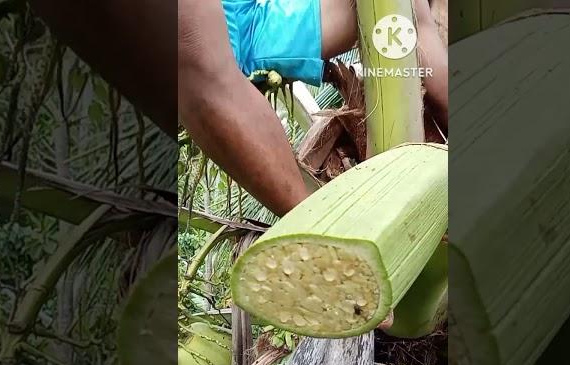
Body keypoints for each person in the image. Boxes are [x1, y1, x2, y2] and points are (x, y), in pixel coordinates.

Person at [179, 0, 448, 216]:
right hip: (208, 41)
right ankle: (319, 225)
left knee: (407, 7)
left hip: (254, 19)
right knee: (187, 39)